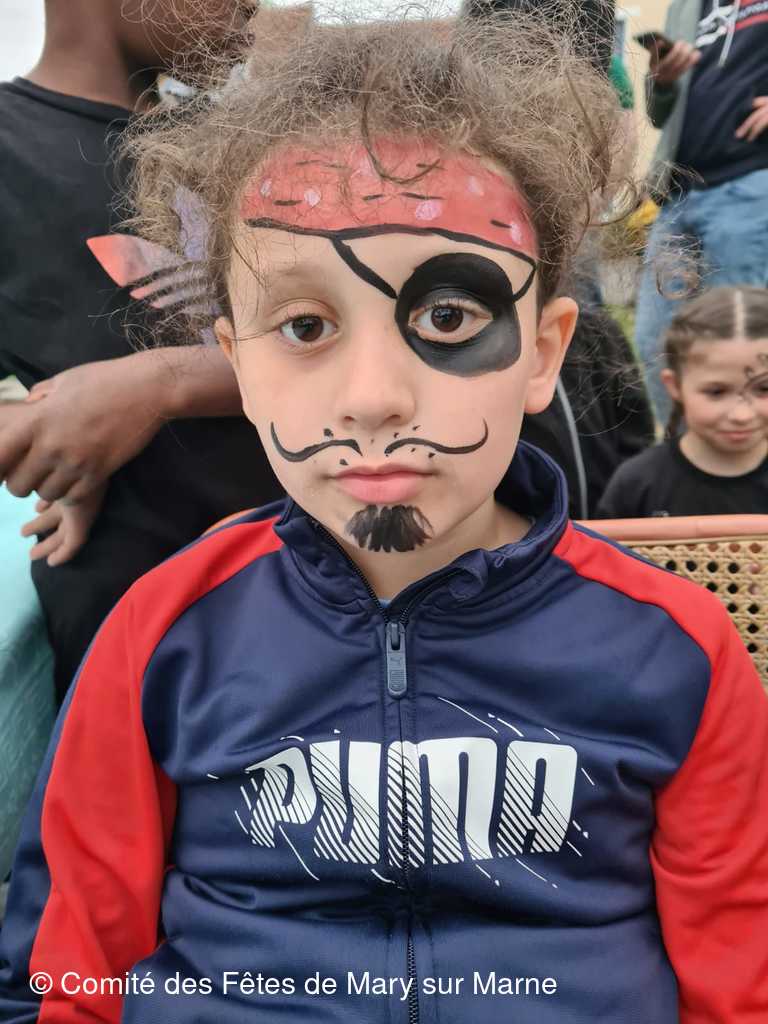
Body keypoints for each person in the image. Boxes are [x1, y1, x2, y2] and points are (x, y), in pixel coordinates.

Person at [1, 13, 767, 1024]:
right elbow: (68, 973)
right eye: (304, 325)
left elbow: (740, 982)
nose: (371, 398)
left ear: (543, 352)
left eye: (448, 317)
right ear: (236, 362)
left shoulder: (676, 650)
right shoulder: (161, 636)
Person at [0, 0, 283, 701]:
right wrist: (56, 433)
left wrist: (156, 385)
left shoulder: (245, 139)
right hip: (139, 642)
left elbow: (351, 337)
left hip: (317, 591)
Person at [635, 0, 768, 423]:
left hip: (750, 185)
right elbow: (658, 114)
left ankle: (748, 458)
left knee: (740, 343)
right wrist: (662, 79)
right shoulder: (687, 7)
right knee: (656, 343)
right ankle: (686, 455)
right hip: (678, 195)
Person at [597, 286, 768, 518]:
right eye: (716, 392)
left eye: (763, 389)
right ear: (675, 386)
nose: (741, 415)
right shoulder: (636, 485)